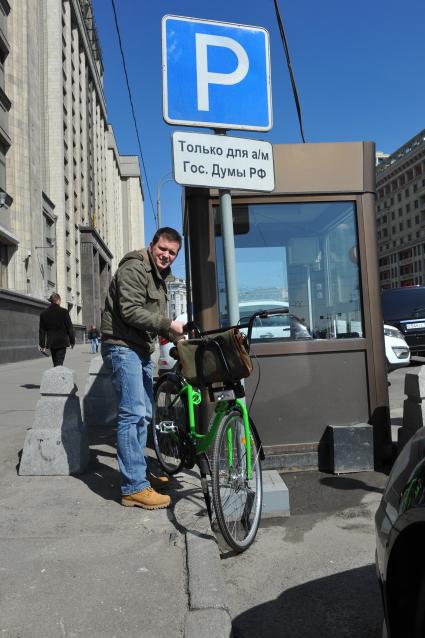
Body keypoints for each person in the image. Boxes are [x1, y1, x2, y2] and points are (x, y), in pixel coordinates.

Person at [101, 227, 185, 510]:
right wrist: (167, 325)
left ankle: (139, 474)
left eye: (172, 253)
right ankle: (133, 487)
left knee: (144, 413)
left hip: (139, 348)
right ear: (152, 245)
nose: (166, 255)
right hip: (122, 345)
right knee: (132, 413)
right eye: (163, 249)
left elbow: (153, 317)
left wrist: (176, 334)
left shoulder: (161, 277)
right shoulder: (135, 268)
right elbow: (130, 310)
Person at [39, 293, 75, 367]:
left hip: (51, 343)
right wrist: (72, 341)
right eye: (60, 300)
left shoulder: (44, 314)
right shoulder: (64, 312)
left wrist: (42, 345)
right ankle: (57, 377)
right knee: (59, 364)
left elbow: (42, 331)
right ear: (58, 300)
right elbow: (70, 328)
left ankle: (55, 375)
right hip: (62, 342)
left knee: (56, 363)